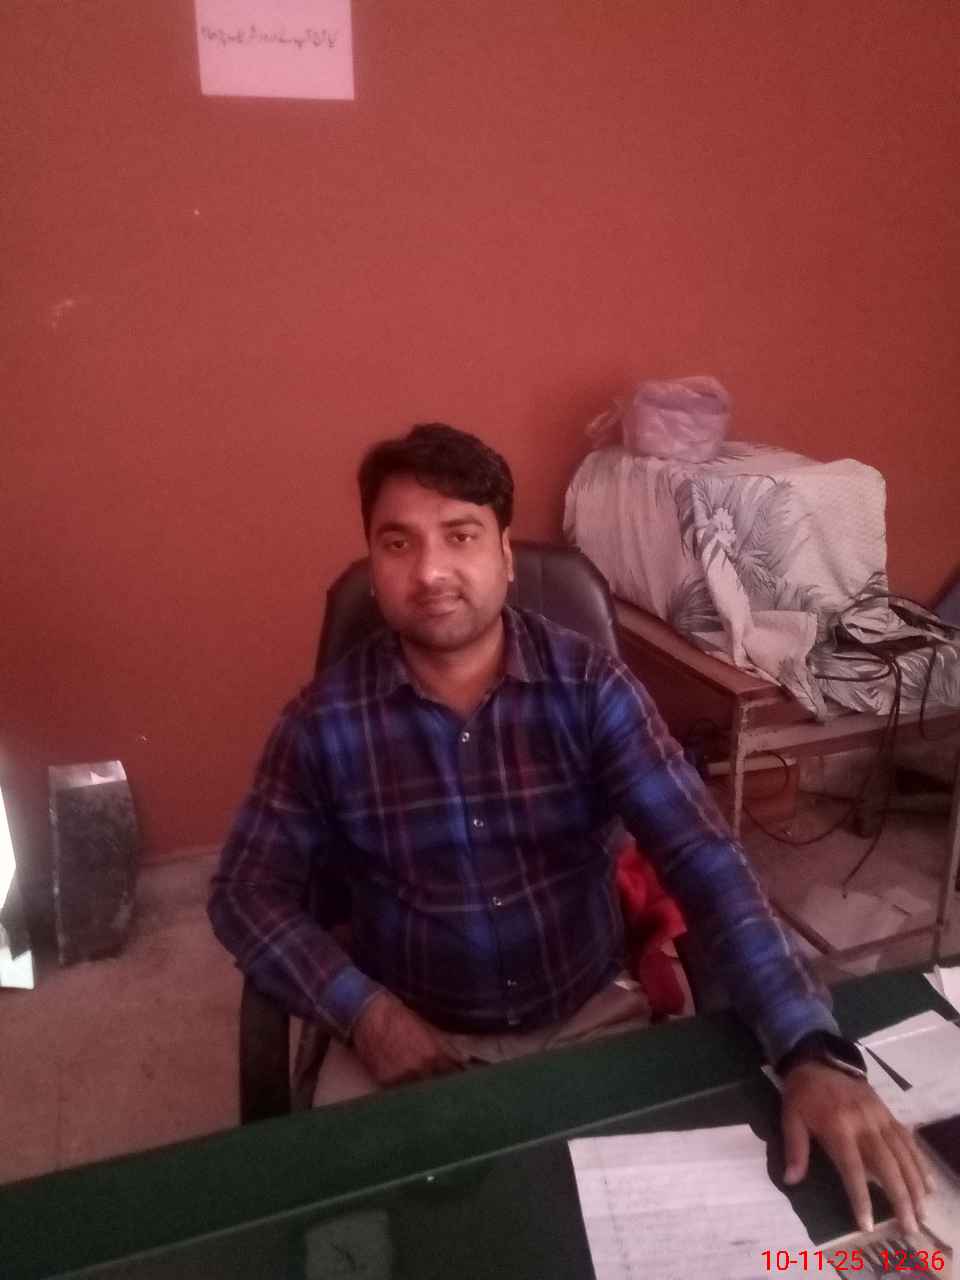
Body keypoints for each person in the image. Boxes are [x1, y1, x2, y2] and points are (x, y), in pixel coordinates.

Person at [209, 423, 931, 1236]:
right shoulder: (322, 722)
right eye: (398, 542)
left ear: (505, 556)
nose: (431, 571)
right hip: (405, 1037)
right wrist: (365, 1014)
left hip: (593, 1016)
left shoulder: (590, 687)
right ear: (373, 566)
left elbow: (702, 856)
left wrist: (808, 1046)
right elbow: (244, 893)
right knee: (373, 1245)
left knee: (680, 1233)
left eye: (460, 535)